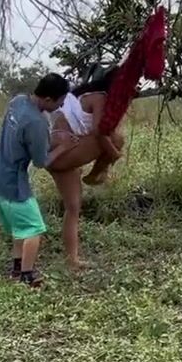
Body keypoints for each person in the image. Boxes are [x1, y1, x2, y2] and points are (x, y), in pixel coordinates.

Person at [0, 73, 69, 287]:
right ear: (48, 99)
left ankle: (17, 268)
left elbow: (21, 137)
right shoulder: (37, 122)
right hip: (13, 183)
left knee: (20, 228)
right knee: (34, 228)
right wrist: (62, 147)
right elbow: (41, 161)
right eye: (60, 101)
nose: (61, 106)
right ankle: (27, 275)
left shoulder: (18, 101)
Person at [44, 68, 128, 273]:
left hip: (58, 154)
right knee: (116, 139)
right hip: (63, 151)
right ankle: (97, 173)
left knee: (73, 208)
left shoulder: (87, 96)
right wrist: (114, 155)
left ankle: (72, 260)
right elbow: (100, 132)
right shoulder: (99, 97)